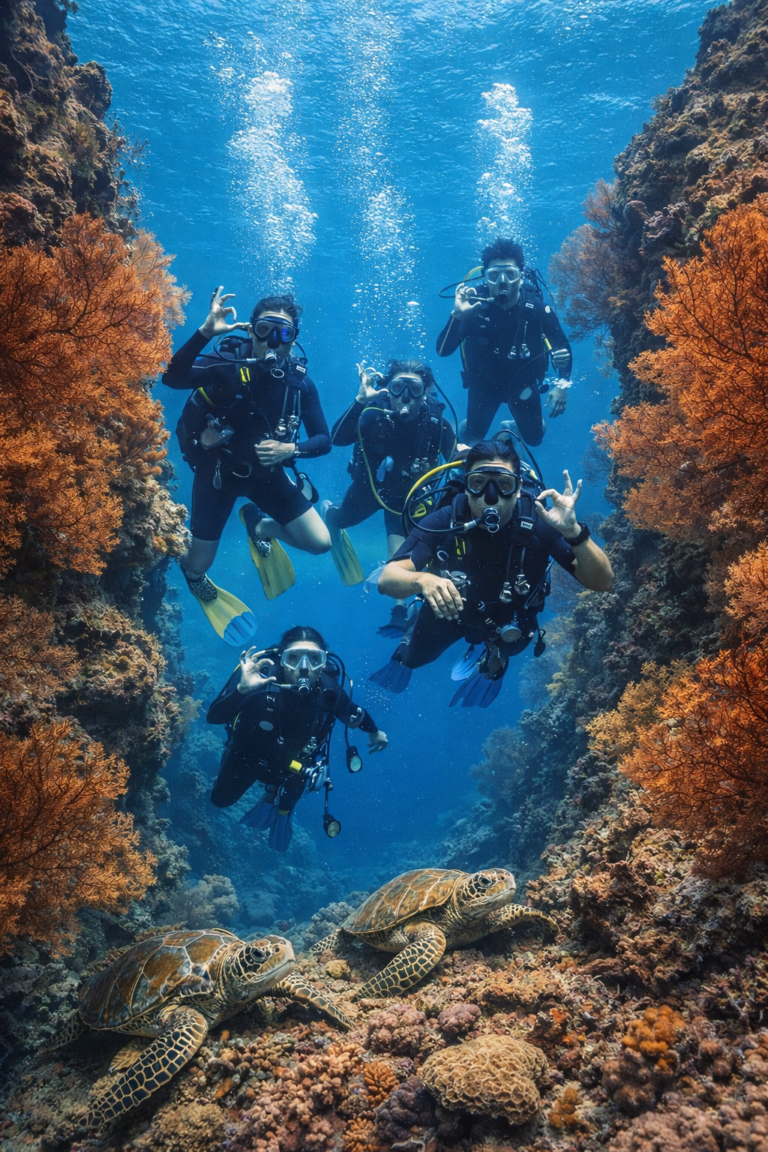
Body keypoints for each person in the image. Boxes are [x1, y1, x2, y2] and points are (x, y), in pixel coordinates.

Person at [372, 437, 614, 706]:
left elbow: (603, 582)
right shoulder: (447, 518)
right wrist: (422, 580)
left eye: (504, 485)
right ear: (466, 485)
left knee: (511, 647)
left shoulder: (537, 521)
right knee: (413, 659)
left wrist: (575, 533)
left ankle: (491, 653)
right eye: (478, 484)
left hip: (510, 615)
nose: (491, 497)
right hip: (450, 610)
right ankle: (417, 620)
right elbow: (387, 579)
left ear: (519, 487)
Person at [162, 287, 332, 644]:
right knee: (196, 565)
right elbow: (172, 378)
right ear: (250, 329)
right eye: (265, 329)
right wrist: (205, 333)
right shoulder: (225, 364)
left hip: (268, 477)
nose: (274, 340)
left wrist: (291, 449)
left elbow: (323, 440)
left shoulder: (299, 383)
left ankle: (261, 527)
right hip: (219, 474)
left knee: (320, 543)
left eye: (284, 332)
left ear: (294, 339)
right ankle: (196, 579)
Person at [207, 626, 388, 851]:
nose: (304, 669)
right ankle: (272, 794)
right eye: (294, 658)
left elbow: (355, 713)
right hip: (248, 756)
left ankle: (277, 802)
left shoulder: (329, 692)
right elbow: (214, 716)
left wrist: (374, 732)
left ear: (323, 663)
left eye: (314, 659)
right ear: (282, 660)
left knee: (288, 801)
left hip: (296, 766)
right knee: (220, 800)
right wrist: (242, 690)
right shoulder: (259, 680)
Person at [322, 358, 456, 636]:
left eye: (414, 389)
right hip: (370, 488)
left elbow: (455, 456)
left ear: (427, 391)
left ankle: (400, 610)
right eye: (398, 387)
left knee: (405, 543)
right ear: (388, 389)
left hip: (410, 494)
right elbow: (336, 438)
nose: (405, 397)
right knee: (342, 519)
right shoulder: (373, 413)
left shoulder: (435, 422)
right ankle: (330, 516)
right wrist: (359, 401)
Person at [435, 237, 573, 446]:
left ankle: (513, 425)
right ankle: (458, 432)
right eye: (494, 275)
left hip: (524, 383)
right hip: (483, 384)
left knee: (535, 439)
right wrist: (457, 316)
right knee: (471, 437)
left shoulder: (536, 308)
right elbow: (443, 351)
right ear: (485, 278)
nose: (502, 281)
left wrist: (562, 386)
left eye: (510, 274)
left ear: (520, 277)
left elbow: (562, 347)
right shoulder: (472, 308)